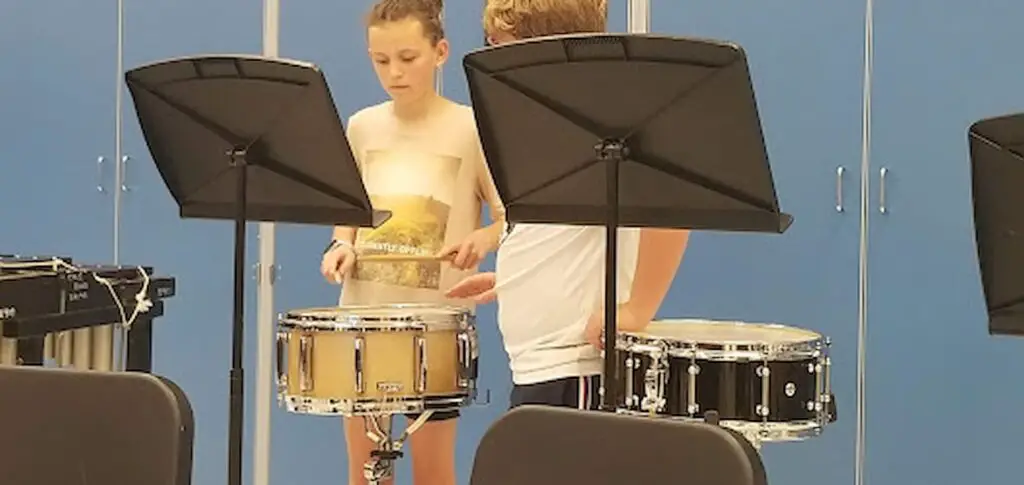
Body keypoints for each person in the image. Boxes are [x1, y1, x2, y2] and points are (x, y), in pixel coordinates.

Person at [446, 0, 691, 411]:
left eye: (503, 49)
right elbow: (562, 228)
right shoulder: (540, 127)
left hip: (574, 366)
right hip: (537, 367)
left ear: (547, 56)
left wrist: (637, 308)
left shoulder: (606, 121)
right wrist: (515, 278)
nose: (492, 64)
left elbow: (672, 202)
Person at [319, 1, 505, 483]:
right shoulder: (362, 127)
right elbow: (349, 214)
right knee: (363, 473)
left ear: (440, 52)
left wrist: (481, 241)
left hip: (435, 327)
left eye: (407, 58)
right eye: (381, 61)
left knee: (433, 472)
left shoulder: (471, 128)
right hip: (362, 316)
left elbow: (509, 218)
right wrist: (339, 246)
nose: (394, 73)